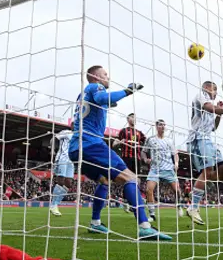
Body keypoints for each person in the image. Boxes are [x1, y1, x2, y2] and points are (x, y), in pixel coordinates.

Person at [67, 65, 171, 240]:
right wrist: (128, 91)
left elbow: (96, 106)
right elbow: (101, 98)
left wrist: (108, 102)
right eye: (105, 74)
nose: (108, 77)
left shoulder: (81, 95)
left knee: (104, 180)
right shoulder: (95, 87)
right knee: (132, 178)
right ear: (95, 76)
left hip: (76, 148)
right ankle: (144, 227)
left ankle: (95, 223)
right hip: (91, 144)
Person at [186, 81, 223, 225]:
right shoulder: (201, 95)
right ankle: (193, 207)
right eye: (214, 88)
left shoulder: (211, 110)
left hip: (208, 139)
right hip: (198, 139)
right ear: (206, 87)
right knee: (207, 171)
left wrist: (220, 114)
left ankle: (200, 188)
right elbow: (208, 107)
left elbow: (214, 128)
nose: (216, 92)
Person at [143, 120, 180, 222]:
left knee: (177, 191)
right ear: (156, 126)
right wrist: (146, 159)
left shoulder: (169, 140)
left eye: (164, 125)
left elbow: (175, 154)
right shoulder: (150, 139)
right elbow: (143, 152)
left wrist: (176, 163)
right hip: (155, 169)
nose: (163, 126)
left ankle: (179, 206)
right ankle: (152, 214)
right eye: (160, 125)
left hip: (168, 169)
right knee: (148, 190)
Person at [49, 129, 73, 217]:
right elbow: (53, 138)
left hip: (71, 161)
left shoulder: (79, 136)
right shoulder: (66, 132)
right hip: (62, 158)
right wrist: (52, 150)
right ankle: (53, 205)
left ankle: (55, 204)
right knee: (61, 181)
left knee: (69, 184)